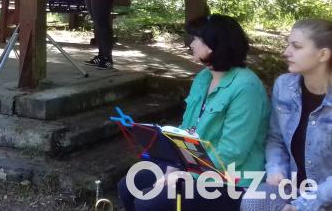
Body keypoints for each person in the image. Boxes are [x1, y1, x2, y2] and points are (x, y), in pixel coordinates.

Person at [117, 14, 270, 211]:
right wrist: (175, 161)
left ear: (214, 45)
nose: (191, 44)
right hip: (193, 166)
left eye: (197, 39)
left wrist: (190, 174)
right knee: (129, 185)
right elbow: (186, 130)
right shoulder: (204, 77)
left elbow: (233, 152)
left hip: (233, 179)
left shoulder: (246, 87)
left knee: (151, 202)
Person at [241, 18, 331, 211]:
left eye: (296, 46)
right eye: (288, 44)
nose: (286, 52)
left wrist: (303, 205)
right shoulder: (285, 86)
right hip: (293, 189)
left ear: (323, 54)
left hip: (325, 197)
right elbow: (276, 138)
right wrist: (276, 169)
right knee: (253, 201)